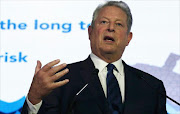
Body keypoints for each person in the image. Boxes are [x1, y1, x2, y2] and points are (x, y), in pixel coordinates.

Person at [21, 1, 167, 114]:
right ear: (90, 32)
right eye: (104, 22)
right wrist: (34, 98)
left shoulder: (152, 87)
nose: (111, 28)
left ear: (128, 38)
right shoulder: (61, 80)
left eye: (119, 24)